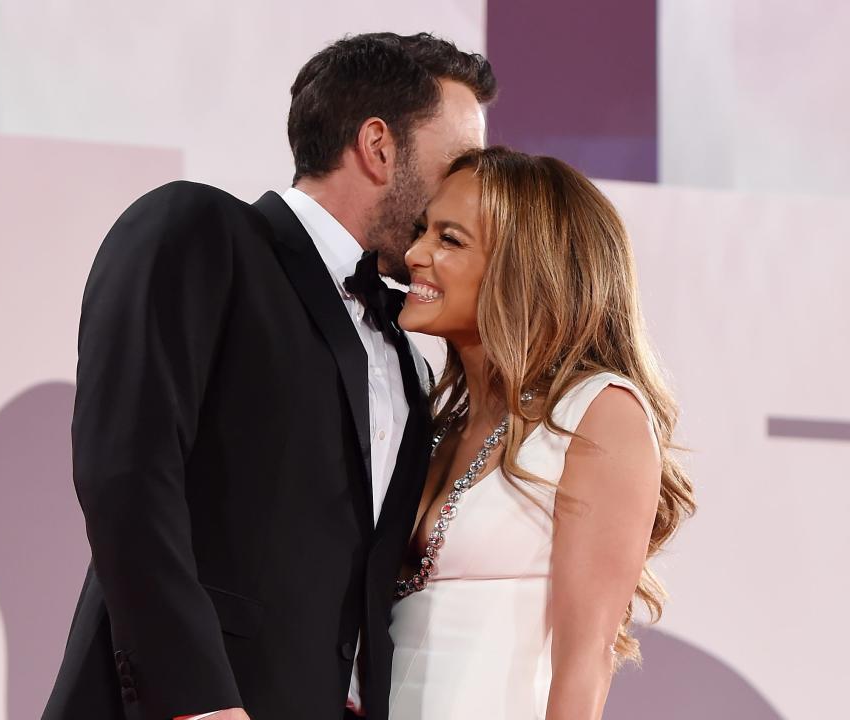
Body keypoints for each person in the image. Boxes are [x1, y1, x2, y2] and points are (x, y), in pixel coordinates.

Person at [42, 33, 496, 720]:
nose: (469, 191)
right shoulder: (199, 232)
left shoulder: (406, 350)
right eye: (459, 162)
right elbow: (126, 473)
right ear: (379, 147)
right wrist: (198, 702)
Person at [388, 147, 696, 719]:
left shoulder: (599, 413)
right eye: (422, 231)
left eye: (449, 239)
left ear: (523, 266)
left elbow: (586, 660)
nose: (414, 254)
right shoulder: (436, 423)